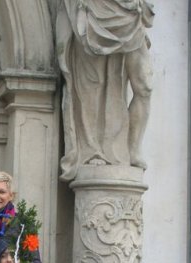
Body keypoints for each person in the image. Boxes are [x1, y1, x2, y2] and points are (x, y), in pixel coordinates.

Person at [56, 0, 154, 178]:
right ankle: (93, 150)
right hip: (95, 11)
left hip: (130, 13)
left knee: (145, 86)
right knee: (93, 86)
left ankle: (133, 150)